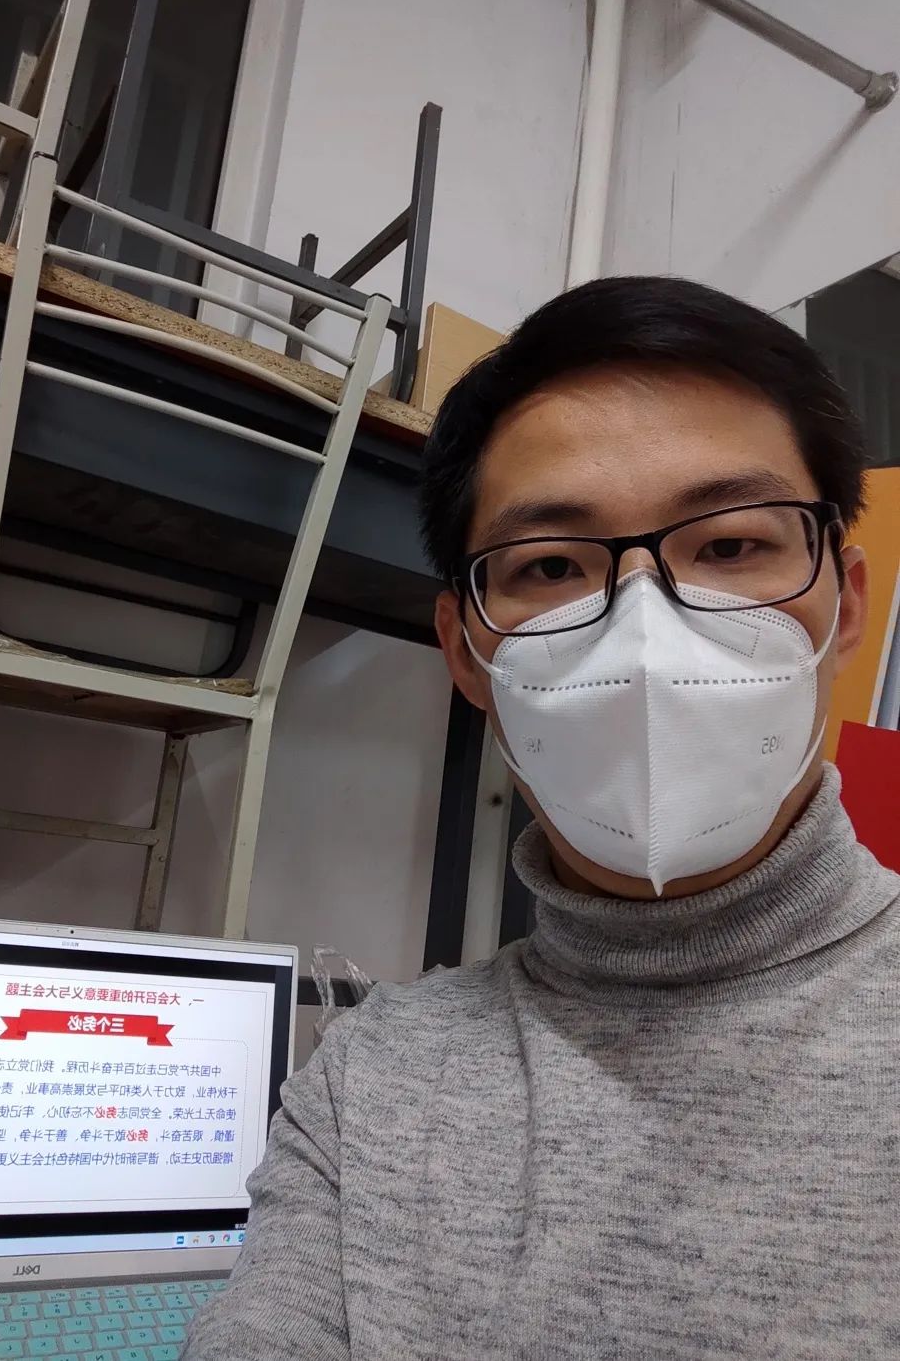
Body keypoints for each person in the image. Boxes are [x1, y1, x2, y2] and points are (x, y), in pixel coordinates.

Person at [185, 277, 900, 1360]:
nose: (647, 636)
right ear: (467, 651)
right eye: (553, 567)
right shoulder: (373, 1082)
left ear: (844, 606)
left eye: (730, 547)